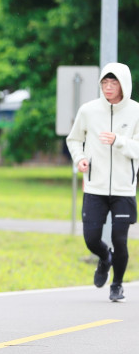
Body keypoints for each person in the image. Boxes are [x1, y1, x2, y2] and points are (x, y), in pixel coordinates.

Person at [66, 62, 139, 302]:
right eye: (105, 82)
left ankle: (117, 285)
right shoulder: (88, 110)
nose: (108, 87)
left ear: (123, 84)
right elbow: (74, 139)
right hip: (94, 187)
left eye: (113, 82)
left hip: (123, 189)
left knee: (120, 239)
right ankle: (105, 258)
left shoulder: (136, 112)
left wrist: (119, 140)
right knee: (91, 239)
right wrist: (80, 158)